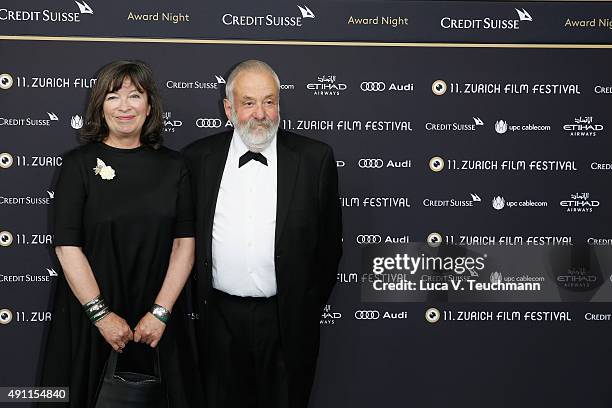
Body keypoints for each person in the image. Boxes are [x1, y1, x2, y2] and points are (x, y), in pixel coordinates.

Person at [39, 60, 202, 407]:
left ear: (149, 107)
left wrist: (160, 313)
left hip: (159, 320)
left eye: (134, 96)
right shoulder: (78, 165)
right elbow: (68, 248)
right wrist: (101, 316)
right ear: (100, 106)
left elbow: (184, 245)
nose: (124, 106)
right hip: (90, 318)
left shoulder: (175, 167)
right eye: (113, 96)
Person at [182, 59, 343, 408]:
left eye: (269, 101)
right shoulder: (197, 159)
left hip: (286, 325)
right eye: (249, 102)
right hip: (219, 322)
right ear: (229, 108)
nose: (260, 113)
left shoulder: (314, 159)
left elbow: (329, 248)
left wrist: (302, 306)